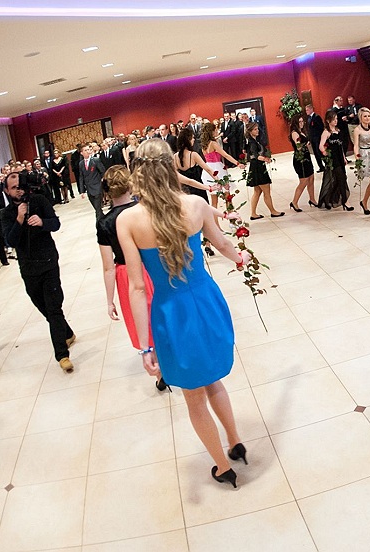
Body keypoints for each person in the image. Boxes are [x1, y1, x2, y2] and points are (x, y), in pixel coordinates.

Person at [117, 138, 249, 488]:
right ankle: (235, 442)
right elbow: (223, 244)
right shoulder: (195, 204)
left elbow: (137, 287)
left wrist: (145, 346)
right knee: (213, 380)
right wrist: (241, 259)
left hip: (171, 313)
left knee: (193, 394)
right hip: (205, 301)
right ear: (170, 166)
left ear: (137, 172)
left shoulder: (128, 220)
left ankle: (222, 466)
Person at [97, 166, 167, 391]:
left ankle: (157, 366)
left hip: (126, 273)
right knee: (162, 311)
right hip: (153, 265)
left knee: (142, 319)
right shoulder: (145, 210)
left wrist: (110, 301)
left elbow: (108, 267)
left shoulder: (105, 222)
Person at [1, 172, 76, 373]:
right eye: (13, 187)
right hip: (28, 268)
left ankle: (62, 355)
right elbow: (10, 241)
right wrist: (19, 219)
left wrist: (42, 222)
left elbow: (56, 224)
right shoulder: (6, 214)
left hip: (48, 261)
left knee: (54, 308)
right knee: (43, 307)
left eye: (20, 185)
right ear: (7, 191)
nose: (18, 190)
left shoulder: (39, 200)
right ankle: (67, 333)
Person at [200, 122, 242, 212]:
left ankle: (214, 220)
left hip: (208, 169)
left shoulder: (204, 145)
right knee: (227, 196)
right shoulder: (213, 144)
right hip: (218, 168)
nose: (217, 131)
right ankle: (231, 217)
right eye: (215, 130)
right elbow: (225, 155)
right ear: (211, 132)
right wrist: (237, 163)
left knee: (214, 201)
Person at [246, 122, 284, 218]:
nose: (257, 131)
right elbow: (255, 155)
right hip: (258, 167)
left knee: (257, 191)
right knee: (266, 191)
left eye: (257, 129)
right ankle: (273, 211)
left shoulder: (254, 141)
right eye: (255, 129)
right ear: (250, 131)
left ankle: (253, 213)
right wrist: (266, 159)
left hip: (256, 167)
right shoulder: (252, 142)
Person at [288, 114, 318, 212]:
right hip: (300, 159)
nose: (301, 123)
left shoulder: (301, 132)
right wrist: (306, 144)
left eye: (302, 121)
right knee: (303, 181)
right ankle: (294, 202)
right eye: (299, 122)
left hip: (306, 157)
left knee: (311, 179)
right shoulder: (294, 133)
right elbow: (298, 147)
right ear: (295, 123)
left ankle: (312, 199)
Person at [77, 143, 106, 220]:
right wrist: (82, 191)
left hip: (97, 187)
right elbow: (81, 177)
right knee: (97, 209)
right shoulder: (81, 164)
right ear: (81, 153)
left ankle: (98, 224)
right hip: (89, 189)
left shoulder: (95, 160)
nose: (88, 151)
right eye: (85, 150)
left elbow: (102, 171)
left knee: (98, 209)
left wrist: (102, 181)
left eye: (88, 150)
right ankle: (104, 221)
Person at [305, 104, 326, 173]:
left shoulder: (317, 117)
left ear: (311, 109)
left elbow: (321, 127)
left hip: (317, 138)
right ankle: (321, 167)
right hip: (312, 139)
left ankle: (327, 164)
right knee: (316, 154)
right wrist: (309, 139)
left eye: (307, 110)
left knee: (319, 152)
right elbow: (309, 130)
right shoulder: (308, 118)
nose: (306, 111)